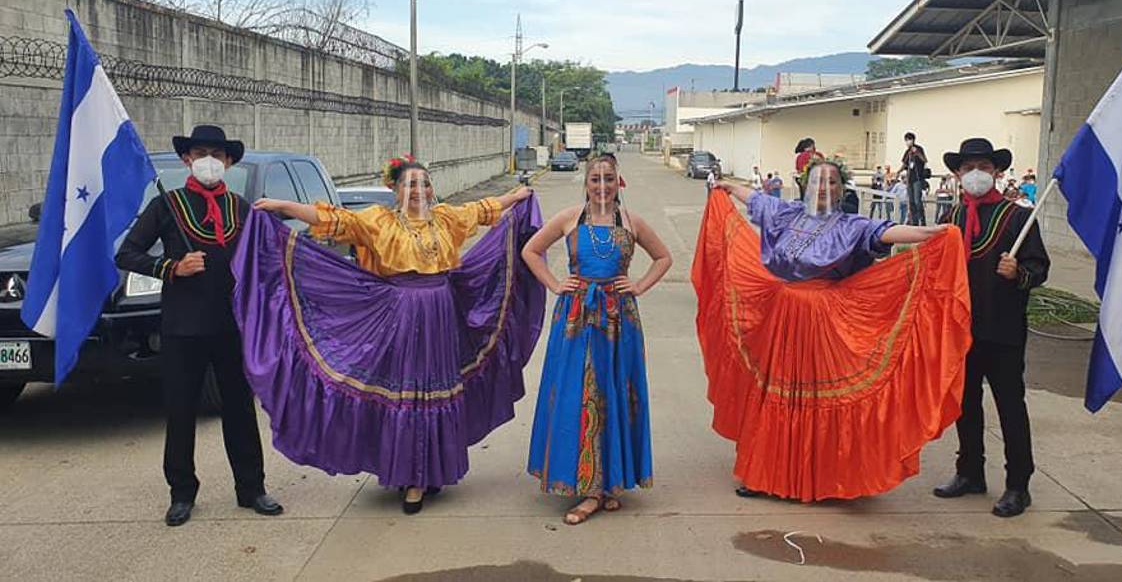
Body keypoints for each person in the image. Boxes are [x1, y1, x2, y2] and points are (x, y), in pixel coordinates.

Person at [233, 154, 544, 514]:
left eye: (424, 183)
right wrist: (284, 205)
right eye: (410, 184)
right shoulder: (377, 221)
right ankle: (410, 476)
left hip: (441, 312)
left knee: (436, 390)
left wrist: (516, 197)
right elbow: (333, 219)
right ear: (395, 190)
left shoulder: (446, 218)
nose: (419, 190)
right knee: (407, 393)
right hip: (400, 313)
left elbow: (483, 209)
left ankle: (433, 470)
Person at [693, 157, 972, 502]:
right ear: (805, 184)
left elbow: (883, 232)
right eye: (816, 182)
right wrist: (729, 188)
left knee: (816, 396)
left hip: (824, 321)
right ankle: (765, 473)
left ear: (842, 189)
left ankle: (828, 475)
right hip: (782, 318)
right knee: (778, 392)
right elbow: (757, 201)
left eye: (831, 183)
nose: (823, 189)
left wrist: (931, 233)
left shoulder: (850, 225)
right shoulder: (787, 214)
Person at [115, 124, 283, 527]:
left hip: (231, 326)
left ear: (228, 162)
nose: (210, 161)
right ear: (187, 159)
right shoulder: (166, 205)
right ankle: (182, 493)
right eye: (201, 153)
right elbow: (128, 253)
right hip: (182, 328)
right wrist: (172, 266)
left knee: (240, 411)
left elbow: (267, 258)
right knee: (181, 411)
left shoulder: (241, 208)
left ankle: (251, 488)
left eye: (217, 155)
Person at [523, 154, 673, 524]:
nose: (602, 186)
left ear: (618, 181)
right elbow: (530, 251)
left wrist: (637, 286)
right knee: (582, 394)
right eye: (595, 179)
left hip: (619, 320)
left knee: (616, 394)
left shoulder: (632, 221)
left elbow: (664, 258)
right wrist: (556, 284)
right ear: (586, 182)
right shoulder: (569, 218)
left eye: (608, 179)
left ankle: (607, 484)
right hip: (576, 318)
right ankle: (592, 487)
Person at [932, 138, 1050, 518]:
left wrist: (1020, 273)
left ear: (996, 171)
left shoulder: (1018, 217)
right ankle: (969, 473)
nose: (976, 175)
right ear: (957, 174)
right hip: (962, 331)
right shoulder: (950, 220)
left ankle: (1018, 484)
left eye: (983, 167)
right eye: (968, 169)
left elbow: (1040, 268)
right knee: (965, 405)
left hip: (1003, 330)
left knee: (1010, 407)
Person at [901, 131, 928, 226]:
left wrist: (917, 153)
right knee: (911, 201)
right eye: (906, 140)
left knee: (917, 201)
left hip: (917, 179)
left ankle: (922, 220)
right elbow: (904, 164)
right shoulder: (907, 152)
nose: (908, 142)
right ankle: (914, 221)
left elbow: (925, 160)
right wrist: (898, 172)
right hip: (909, 179)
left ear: (913, 140)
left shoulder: (919, 149)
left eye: (909, 140)